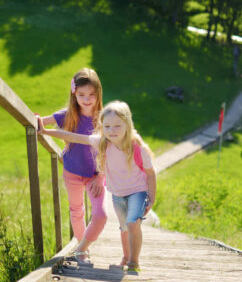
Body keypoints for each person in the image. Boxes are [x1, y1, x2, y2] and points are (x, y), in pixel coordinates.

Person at [37, 100, 157, 272]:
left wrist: (151, 197)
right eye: (107, 126)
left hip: (138, 191)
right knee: (124, 228)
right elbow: (75, 137)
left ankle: (133, 262)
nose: (111, 130)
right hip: (117, 194)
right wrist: (45, 131)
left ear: (127, 125)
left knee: (132, 224)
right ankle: (125, 257)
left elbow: (151, 173)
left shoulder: (137, 147)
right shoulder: (103, 142)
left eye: (117, 126)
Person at [38, 68, 106, 265]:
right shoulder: (68, 115)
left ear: (98, 94)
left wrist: (100, 177)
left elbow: (107, 149)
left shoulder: (104, 118)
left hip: (95, 175)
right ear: (74, 93)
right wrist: (36, 121)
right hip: (72, 172)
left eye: (92, 95)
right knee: (76, 210)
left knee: (101, 215)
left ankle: (84, 245)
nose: (87, 99)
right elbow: (41, 121)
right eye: (82, 94)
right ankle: (82, 251)